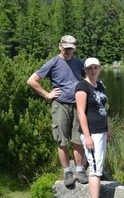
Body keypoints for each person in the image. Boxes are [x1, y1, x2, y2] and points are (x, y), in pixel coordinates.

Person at [27, 35, 88, 187]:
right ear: (60, 46)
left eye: (71, 49)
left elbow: (89, 79)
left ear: (75, 48)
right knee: (62, 140)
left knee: (77, 139)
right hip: (60, 105)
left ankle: (79, 170)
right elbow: (32, 81)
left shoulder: (79, 63)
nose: (68, 51)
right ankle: (67, 171)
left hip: (77, 106)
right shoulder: (53, 62)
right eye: (66, 48)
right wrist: (47, 94)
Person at [75, 57, 110, 198]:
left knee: (99, 166)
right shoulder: (82, 86)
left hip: (101, 130)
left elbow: (104, 108)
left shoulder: (100, 85)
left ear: (99, 68)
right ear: (85, 70)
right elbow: (80, 113)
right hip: (92, 133)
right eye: (90, 68)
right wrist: (87, 136)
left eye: (95, 67)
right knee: (95, 168)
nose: (93, 70)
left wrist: (108, 129)